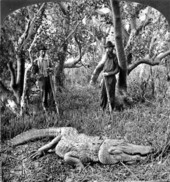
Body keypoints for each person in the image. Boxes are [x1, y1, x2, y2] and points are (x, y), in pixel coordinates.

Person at [90, 41, 119, 110]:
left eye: (110, 48)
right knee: (103, 94)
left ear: (112, 48)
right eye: (107, 48)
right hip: (104, 78)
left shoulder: (114, 57)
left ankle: (111, 109)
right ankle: (102, 109)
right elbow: (101, 66)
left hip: (111, 78)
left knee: (111, 94)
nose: (108, 49)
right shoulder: (104, 56)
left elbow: (117, 69)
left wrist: (109, 73)